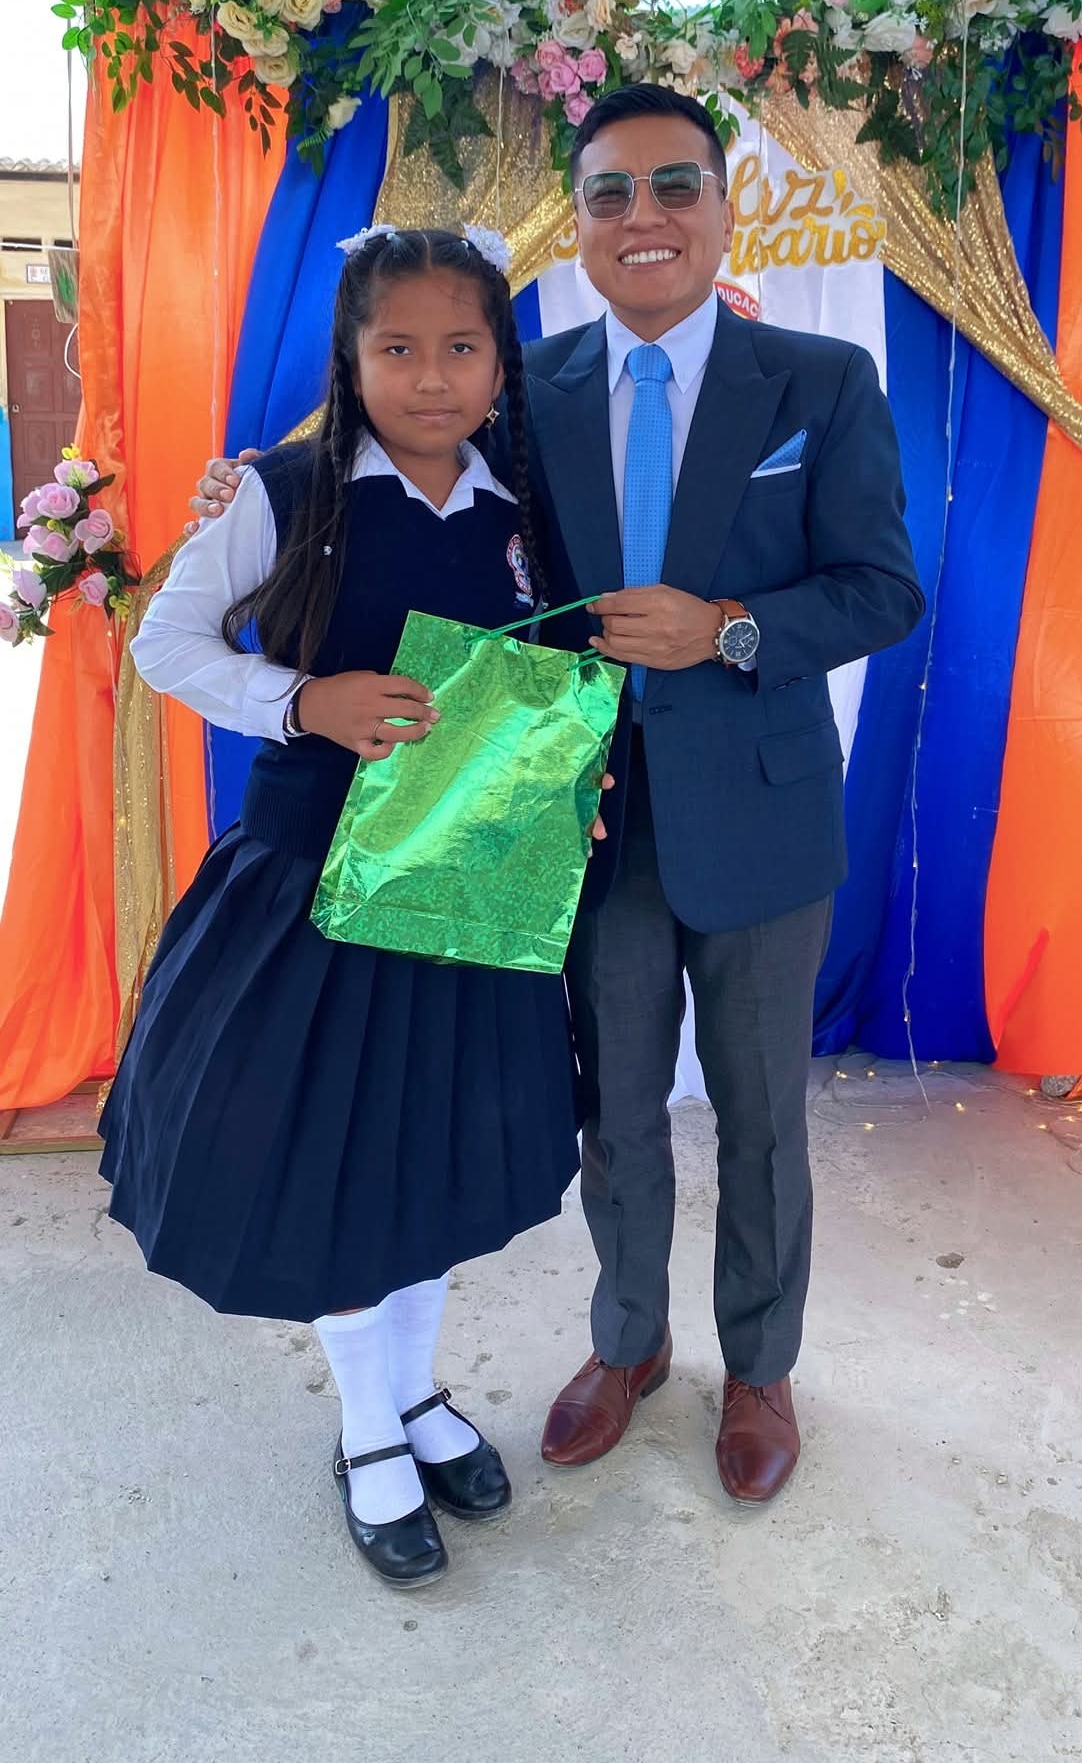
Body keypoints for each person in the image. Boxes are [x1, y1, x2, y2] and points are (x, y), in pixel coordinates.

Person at [193, 84, 925, 1507]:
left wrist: (729, 627)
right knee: (616, 1108)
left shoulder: (820, 384)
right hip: (577, 819)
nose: (644, 217)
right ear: (578, 225)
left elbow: (883, 589)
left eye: (674, 186)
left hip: (764, 815)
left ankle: (760, 1367)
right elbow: (401, 473)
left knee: (764, 1117)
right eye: (610, 194)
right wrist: (248, 499)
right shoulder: (529, 388)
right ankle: (627, 1342)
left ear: (723, 207)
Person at [101, 225, 594, 1590]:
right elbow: (165, 643)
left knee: (432, 1157)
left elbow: (548, 678)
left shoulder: (527, 505)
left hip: (466, 891)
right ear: (351, 357)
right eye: (398, 349)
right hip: (315, 889)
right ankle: (370, 1427)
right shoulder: (284, 493)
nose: (432, 378)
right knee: (334, 1165)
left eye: (461, 347)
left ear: (500, 360)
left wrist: (568, 779)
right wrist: (302, 700)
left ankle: (417, 1390)